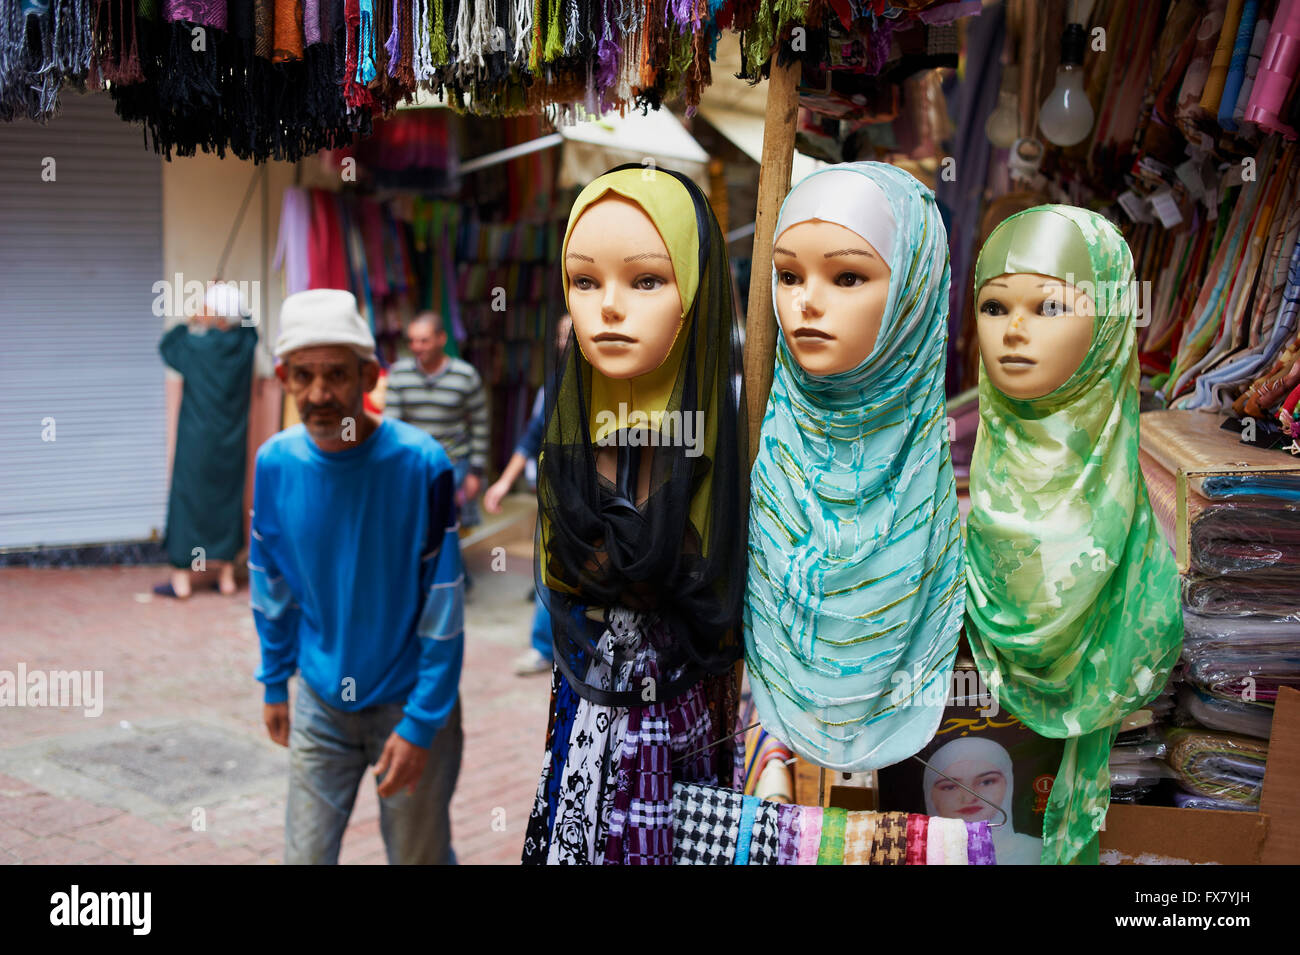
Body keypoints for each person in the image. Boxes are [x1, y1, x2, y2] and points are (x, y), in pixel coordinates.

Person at [250, 289, 465, 865]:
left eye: (337, 375)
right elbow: (271, 582)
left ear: (369, 375)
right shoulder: (274, 464)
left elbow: (443, 609)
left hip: (410, 699)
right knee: (305, 856)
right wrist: (275, 679)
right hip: (321, 702)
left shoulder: (422, 466)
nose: (319, 394)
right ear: (283, 377)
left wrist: (421, 724)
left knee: (419, 857)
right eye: (304, 375)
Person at [155, 282, 258, 599]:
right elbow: (252, 328)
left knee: (188, 502)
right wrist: (224, 303)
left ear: (217, 317)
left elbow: (167, 344)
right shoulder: (243, 347)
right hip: (231, 443)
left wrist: (195, 318)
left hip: (196, 442)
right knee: (227, 501)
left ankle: (182, 580)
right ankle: (226, 578)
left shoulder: (193, 347)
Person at [483, 315, 572, 677]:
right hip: (556, 495)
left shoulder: (613, 383)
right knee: (548, 568)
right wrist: (504, 482)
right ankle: (542, 647)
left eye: (574, 332)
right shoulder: (553, 386)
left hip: (598, 499)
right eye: (562, 334)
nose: (568, 341)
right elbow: (531, 435)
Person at [384, 313, 489, 533]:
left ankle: (452, 566)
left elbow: (480, 425)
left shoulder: (465, 375)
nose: (416, 347)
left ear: (442, 339)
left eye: (424, 340)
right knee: (414, 525)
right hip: (412, 463)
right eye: (412, 340)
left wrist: (475, 472)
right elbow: (391, 425)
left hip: (453, 464)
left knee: (448, 526)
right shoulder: (399, 373)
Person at [922, 737, 1043, 865]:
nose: (969, 798)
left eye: (987, 782)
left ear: (1008, 785)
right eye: (950, 787)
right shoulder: (914, 856)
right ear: (929, 795)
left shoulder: (1039, 852)